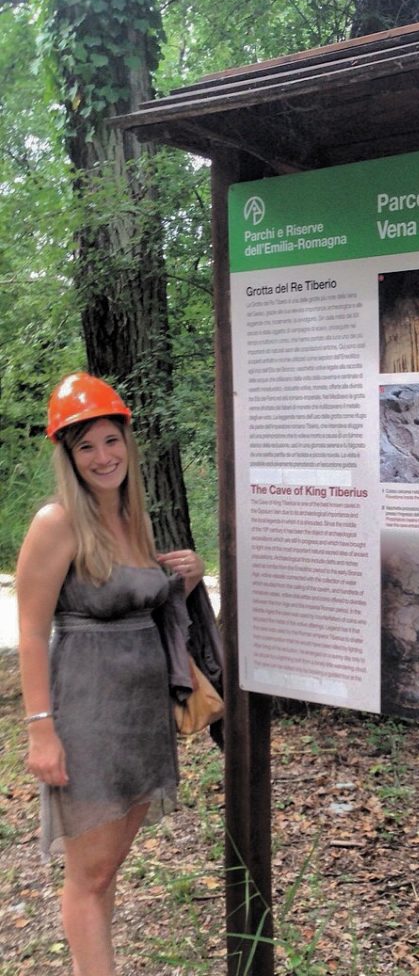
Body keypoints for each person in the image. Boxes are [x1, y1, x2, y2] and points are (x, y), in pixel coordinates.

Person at [17, 372, 205, 976]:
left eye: (110, 440)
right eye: (86, 446)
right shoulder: (57, 522)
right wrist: (41, 729)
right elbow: (28, 630)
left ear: (128, 441)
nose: (103, 457)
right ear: (68, 457)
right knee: (89, 874)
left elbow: (139, 595)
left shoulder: (129, 518)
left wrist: (186, 576)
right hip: (89, 717)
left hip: (140, 719)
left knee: (107, 869)